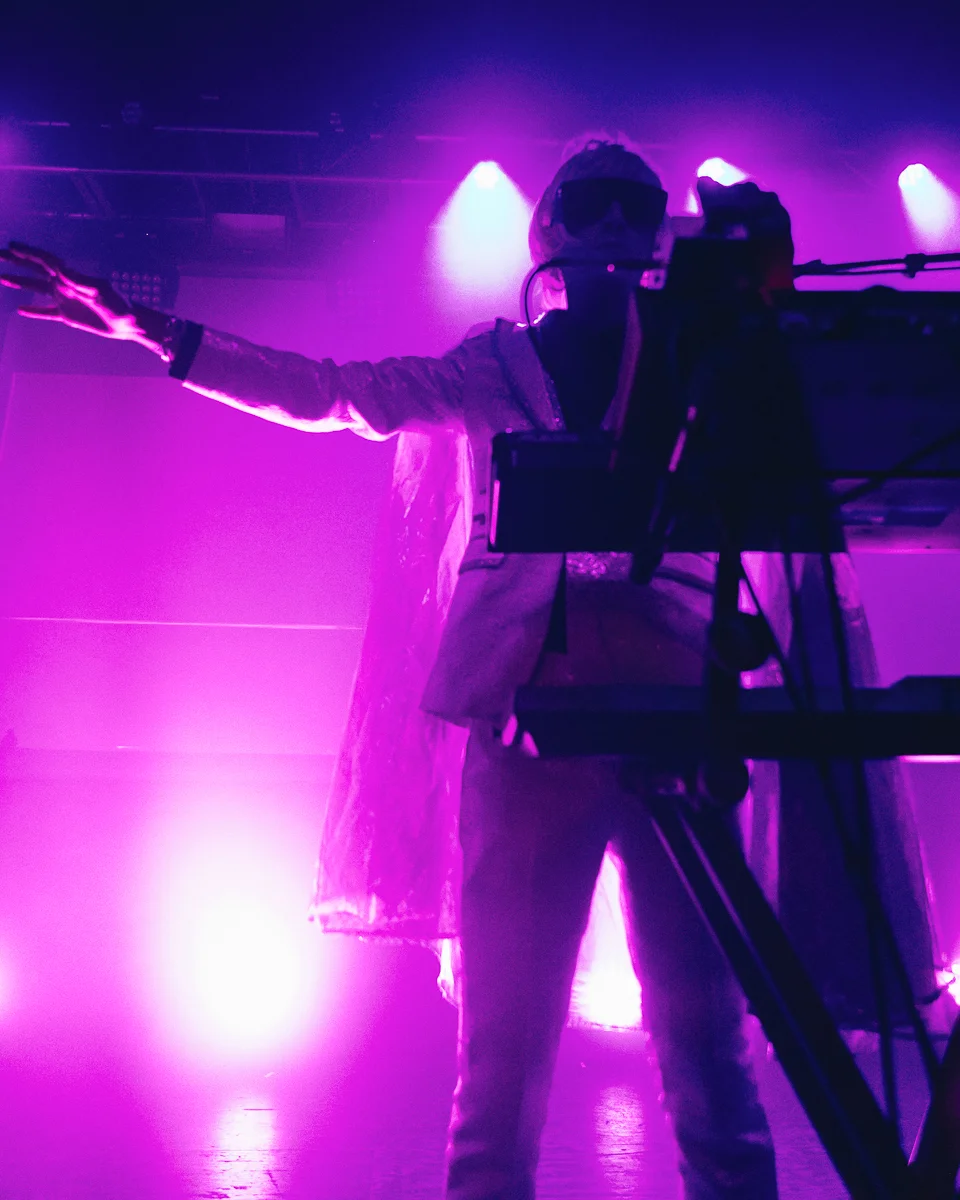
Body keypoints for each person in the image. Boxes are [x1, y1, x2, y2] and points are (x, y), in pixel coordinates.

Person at [0, 136, 940, 1200]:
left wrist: (758, 282)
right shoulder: (491, 367)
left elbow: (817, 417)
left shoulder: (706, 355)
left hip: (683, 712)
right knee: (500, 1070)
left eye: (637, 205)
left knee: (710, 1057)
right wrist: (157, 332)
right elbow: (329, 392)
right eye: (591, 202)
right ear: (548, 232)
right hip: (525, 723)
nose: (616, 223)